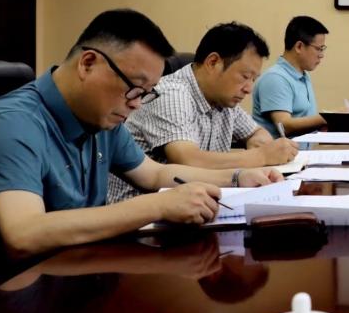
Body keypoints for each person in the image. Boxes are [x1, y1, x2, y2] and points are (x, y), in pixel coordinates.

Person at [0, 9, 281, 275]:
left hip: (71, 271)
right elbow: (24, 235)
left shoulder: (101, 117)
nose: (137, 104)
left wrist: (237, 177)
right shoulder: (14, 123)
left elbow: (154, 174)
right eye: (134, 88)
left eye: (146, 93)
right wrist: (159, 206)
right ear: (88, 63)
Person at [108, 22, 299, 203]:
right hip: (141, 214)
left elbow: (256, 133)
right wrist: (260, 157)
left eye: (253, 79)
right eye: (245, 76)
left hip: (193, 204)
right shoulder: (172, 94)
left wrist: (260, 145)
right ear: (213, 62)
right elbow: (187, 159)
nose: (249, 88)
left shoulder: (223, 100)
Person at [253, 15, 331, 137]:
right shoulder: (275, 78)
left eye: (323, 49)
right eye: (319, 49)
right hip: (278, 150)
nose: (321, 55)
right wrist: (330, 118)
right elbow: (284, 127)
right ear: (299, 47)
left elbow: (307, 122)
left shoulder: (304, 76)